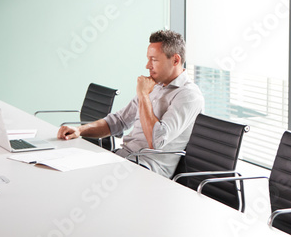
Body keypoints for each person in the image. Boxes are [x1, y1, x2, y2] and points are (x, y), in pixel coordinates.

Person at [57, 29, 204, 177]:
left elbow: (157, 141)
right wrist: (80, 130)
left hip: (147, 169)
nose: (148, 66)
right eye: (148, 59)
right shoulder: (155, 86)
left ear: (175, 60)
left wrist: (143, 95)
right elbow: (119, 121)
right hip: (123, 158)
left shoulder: (188, 95)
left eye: (154, 59)